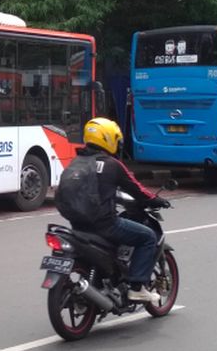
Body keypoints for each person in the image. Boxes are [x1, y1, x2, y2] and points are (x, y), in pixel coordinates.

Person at [56, 116, 169, 305]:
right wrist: (156, 200)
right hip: (106, 226)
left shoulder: (76, 162)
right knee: (148, 237)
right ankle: (137, 288)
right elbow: (137, 189)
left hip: (78, 225)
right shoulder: (112, 165)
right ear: (108, 139)